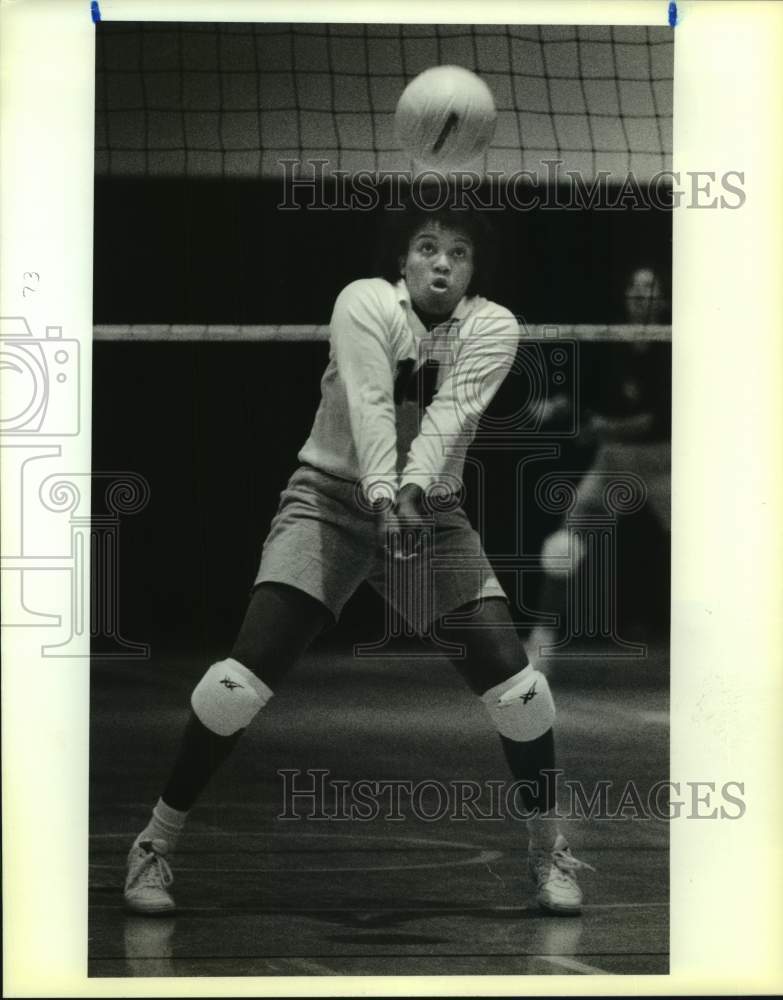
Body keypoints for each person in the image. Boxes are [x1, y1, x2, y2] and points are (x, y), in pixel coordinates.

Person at [123, 197, 593, 917]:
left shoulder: (493, 326)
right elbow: (372, 402)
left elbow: (448, 418)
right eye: (428, 246)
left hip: (430, 512)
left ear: (475, 268)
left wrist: (408, 495)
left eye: (460, 251)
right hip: (328, 502)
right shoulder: (364, 303)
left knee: (521, 691)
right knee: (235, 685)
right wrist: (381, 498)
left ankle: (547, 849)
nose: (442, 261)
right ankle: (155, 843)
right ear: (401, 259)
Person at [527, 265, 672, 662]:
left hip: (668, 460)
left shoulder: (676, 346)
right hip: (612, 461)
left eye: (651, 289)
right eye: (636, 288)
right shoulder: (609, 341)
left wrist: (599, 426)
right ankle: (543, 640)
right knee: (563, 547)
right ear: (626, 296)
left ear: (663, 300)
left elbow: (656, 419)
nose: (643, 296)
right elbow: (583, 397)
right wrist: (558, 406)